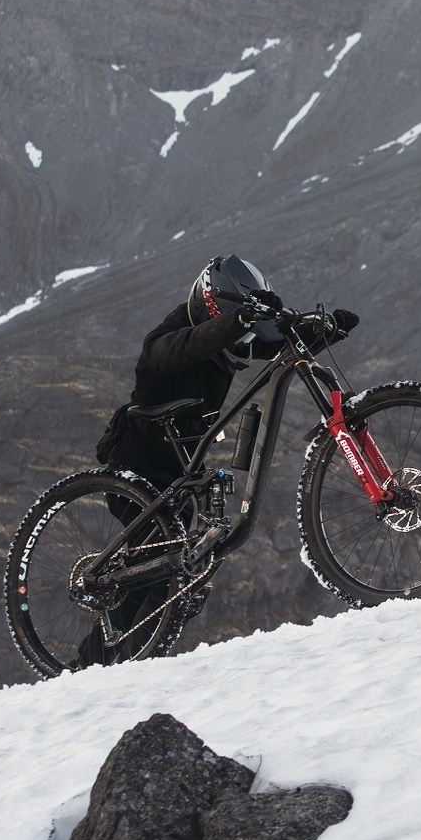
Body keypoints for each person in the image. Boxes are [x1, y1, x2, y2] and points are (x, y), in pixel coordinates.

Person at [79, 253, 288, 663]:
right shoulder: (168, 338)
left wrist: (319, 330)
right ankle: (124, 668)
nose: (239, 346)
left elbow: (272, 341)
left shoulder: (228, 335)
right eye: (232, 329)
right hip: (136, 467)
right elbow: (188, 347)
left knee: (153, 579)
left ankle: (91, 665)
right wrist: (237, 321)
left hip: (177, 474)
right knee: (164, 575)